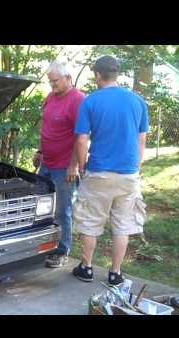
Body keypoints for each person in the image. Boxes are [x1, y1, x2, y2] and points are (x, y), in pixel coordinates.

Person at [72, 55, 149, 286]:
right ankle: (115, 273)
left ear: (97, 75)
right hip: (128, 175)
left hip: (99, 172)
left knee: (90, 221)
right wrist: (135, 168)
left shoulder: (90, 101)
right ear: (117, 74)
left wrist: (82, 167)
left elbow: (81, 140)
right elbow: (141, 140)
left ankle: (86, 268)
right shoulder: (138, 101)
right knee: (123, 225)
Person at [34, 60, 85, 267]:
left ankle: (62, 250)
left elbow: (81, 136)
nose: (52, 85)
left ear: (68, 78)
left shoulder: (78, 100)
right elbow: (45, 126)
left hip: (65, 166)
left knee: (62, 210)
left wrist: (74, 165)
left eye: (55, 81)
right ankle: (42, 245)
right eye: (50, 82)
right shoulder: (50, 97)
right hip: (46, 162)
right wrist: (39, 151)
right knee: (41, 207)